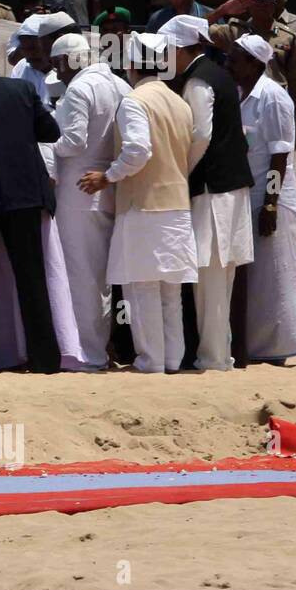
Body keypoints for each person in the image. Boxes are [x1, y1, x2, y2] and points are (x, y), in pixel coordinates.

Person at [79, 32, 199, 373]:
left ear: (130, 66)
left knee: (141, 288)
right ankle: (171, 360)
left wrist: (108, 176)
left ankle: (150, 361)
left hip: (143, 207)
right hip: (176, 206)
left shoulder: (135, 101)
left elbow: (138, 150)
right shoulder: (179, 102)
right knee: (170, 293)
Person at [0, 38, 63, 373]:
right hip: (25, 195)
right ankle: (44, 359)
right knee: (32, 280)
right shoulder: (20, 90)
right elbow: (50, 132)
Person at [157, 15, 254, 371]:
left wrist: (180, 173)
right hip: (231, 187)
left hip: (213, 189)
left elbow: (199, 135)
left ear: (181, 48)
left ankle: (213, 358)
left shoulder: (198, 80)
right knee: (220, 275)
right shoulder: (218, 73)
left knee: (210, 277)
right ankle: (219, 354)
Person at [48, 33, 132, 369]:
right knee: (102, 278)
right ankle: (101, 347)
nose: (59, 73)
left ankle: (87, 353)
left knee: (82, 276)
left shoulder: (80, 89)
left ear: (70, 59)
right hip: (110, 187)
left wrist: (43, 140)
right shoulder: (121, 85)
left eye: (58, 65)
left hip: (79, 192)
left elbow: (73, 140)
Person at [229, 36, 296, 364]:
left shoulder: (273, 97)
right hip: (250, 195)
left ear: (255, 63)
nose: (229, 65)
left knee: (276, 276)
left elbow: (280, 154)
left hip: (272, 197)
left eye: (236, 59)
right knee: (257, 277)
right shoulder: (239, 94)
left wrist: (271, 203)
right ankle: (257, 346)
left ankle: (278, 349)